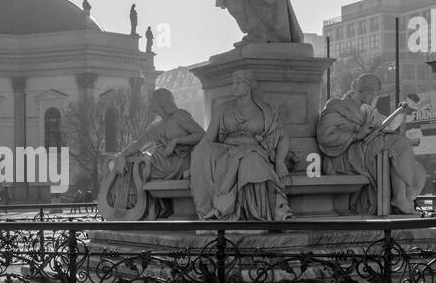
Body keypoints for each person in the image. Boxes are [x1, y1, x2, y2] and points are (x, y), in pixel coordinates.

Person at [190, 69, 292, 221]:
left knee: (250, 161)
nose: (234, 86)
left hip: (255, 150)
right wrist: (194, 161)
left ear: (249, 85)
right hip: (227, 150)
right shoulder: (223, 109)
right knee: (201, 150)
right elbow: (208, 139)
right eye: (233, 83)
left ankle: (254, 216)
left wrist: (279, 161)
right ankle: (213, 209)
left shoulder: (267, 111)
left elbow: (283, 137)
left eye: (238, 83)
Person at [316, 74, 426, 215]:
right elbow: (325, 136)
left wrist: (400, 113)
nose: (373, 98)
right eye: (371, 94)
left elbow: (388, 126)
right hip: (345, 155)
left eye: (375, 94)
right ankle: (399, 198)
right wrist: (357, 135)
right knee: (400, 143)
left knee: (406, 152)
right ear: (358, 89)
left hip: (367, 149)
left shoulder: (368, 111)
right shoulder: (336, 106)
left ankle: (403, 197)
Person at [100, 88, 205, 220]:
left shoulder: (179, 116)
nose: (150, 104)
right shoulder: (156, 126)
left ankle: (135, 208)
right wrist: (122, 155)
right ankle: (131, 208)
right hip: (160, 161)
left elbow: (201, 134)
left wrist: (176, 141)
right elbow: (139, 144)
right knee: (133, 164)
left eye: (152, 101)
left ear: (161, 102)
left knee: (138, 167)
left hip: (179, 161)